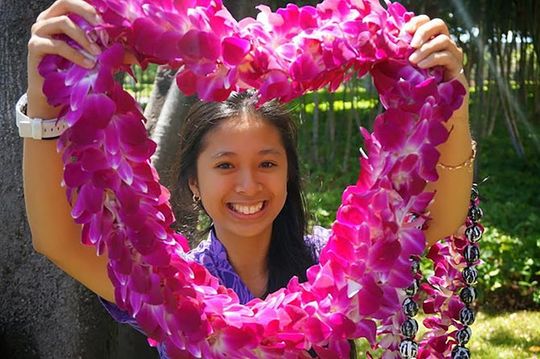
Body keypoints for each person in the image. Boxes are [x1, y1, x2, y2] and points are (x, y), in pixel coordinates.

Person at [22, 0, 474, 357]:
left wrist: (450, 100)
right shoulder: (163, 285)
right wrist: (44, 106)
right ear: (193, 184)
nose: (248, 185)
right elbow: (56, 240)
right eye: (224, 165)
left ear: (288, 174)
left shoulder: (329, 261)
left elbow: (443, 221)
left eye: (267, 163)